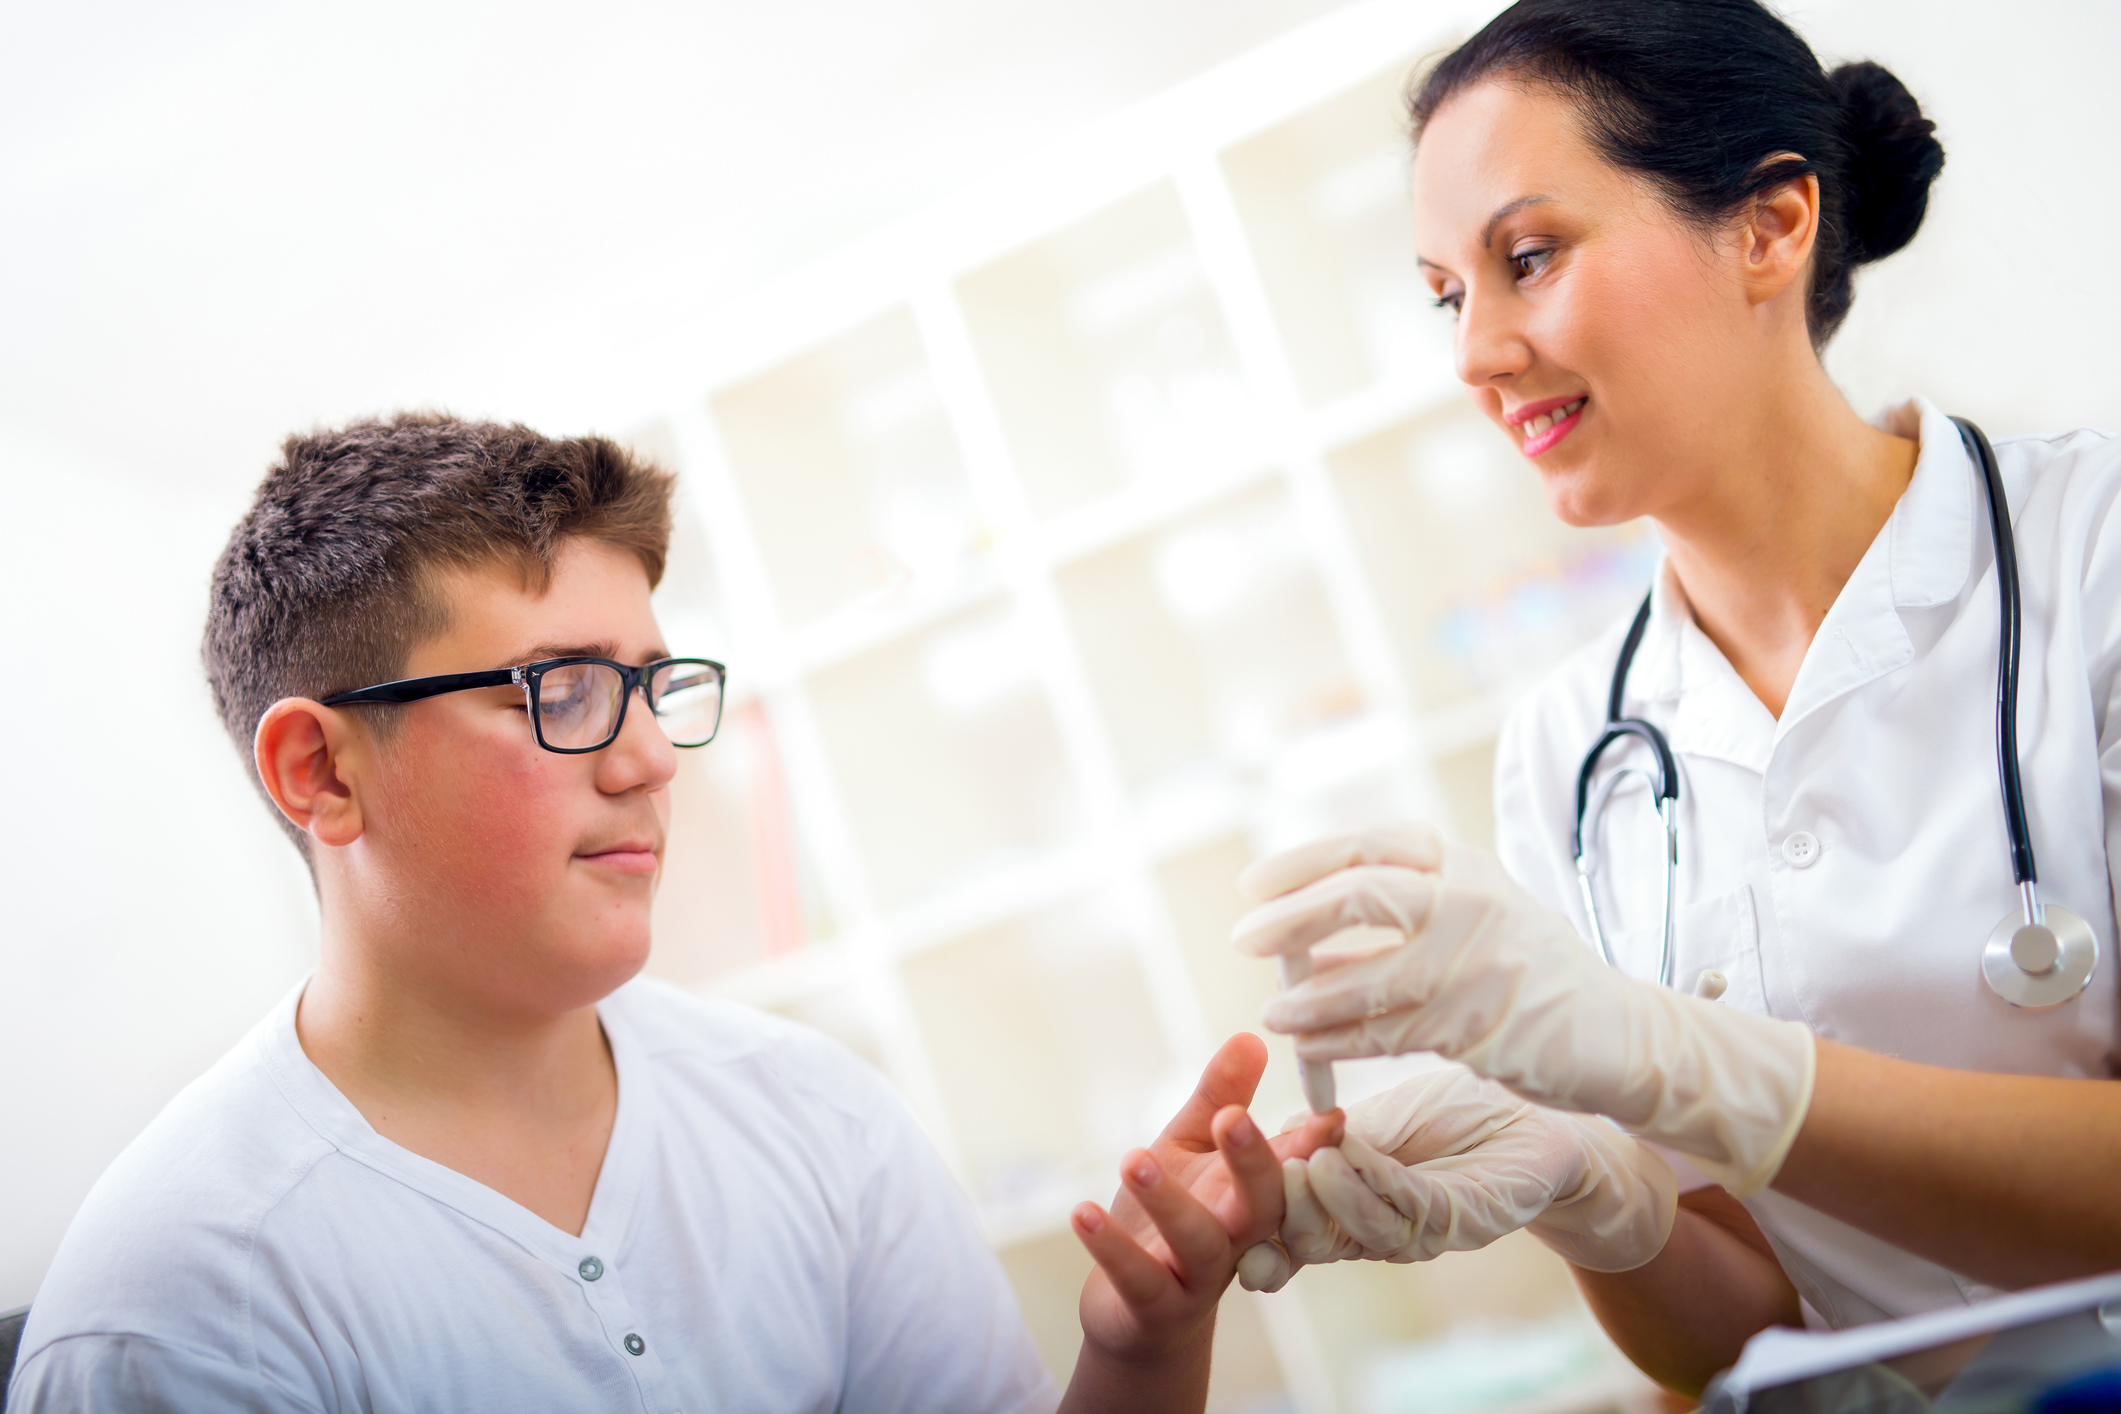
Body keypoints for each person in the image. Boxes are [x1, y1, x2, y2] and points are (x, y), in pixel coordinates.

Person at [6, 414, 1341, 1413]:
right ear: (322, 771)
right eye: (564, 690)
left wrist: (1137, 1347)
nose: (649, 758)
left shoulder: (816, 1117)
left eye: (651, 686)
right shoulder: (175, 1310)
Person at [1223, 0, 2121, 1398]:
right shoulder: (1568, 753)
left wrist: (1684, 1062)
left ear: (1768, 228)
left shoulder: (2093, 557)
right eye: (1449, 294)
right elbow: (1742, 1331)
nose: (1472, 356)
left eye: (1527, 257)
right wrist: (1602, 1201)